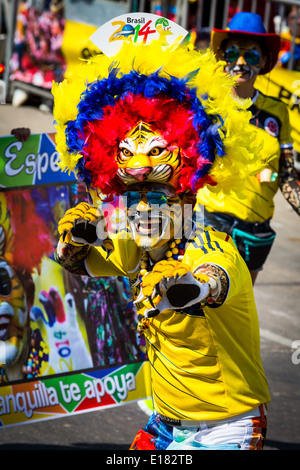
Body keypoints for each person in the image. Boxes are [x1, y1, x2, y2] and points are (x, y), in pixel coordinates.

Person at [53, 29, 270, 450]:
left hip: (225, 428)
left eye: (157, 197)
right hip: (165, 422)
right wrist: (80, 237)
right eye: (131, 198)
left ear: (185, 196)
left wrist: (187, 287)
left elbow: (213, 278)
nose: (142, 209)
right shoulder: (136, 245)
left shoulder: (208, 245)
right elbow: (75, 263)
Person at [198, 12, 300, 285]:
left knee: (239, 308)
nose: (241, 64)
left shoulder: (277, 113)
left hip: (255, 229)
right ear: (222, 59)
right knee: (206, 303)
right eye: (232, 54)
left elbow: (287, 173)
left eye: (251, 56)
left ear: (265, 61)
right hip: (208, 222)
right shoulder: (207, 107)